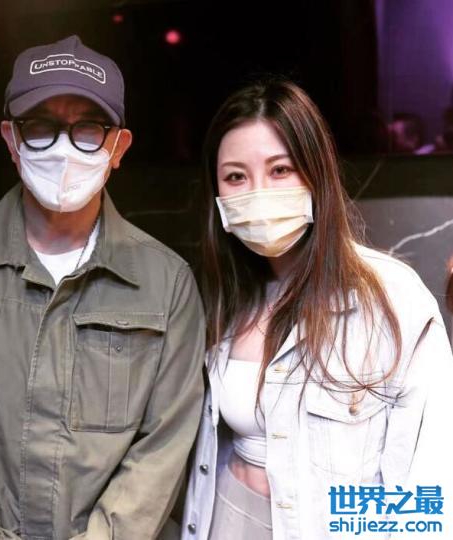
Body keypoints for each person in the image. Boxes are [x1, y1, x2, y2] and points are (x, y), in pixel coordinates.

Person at [0, 35, 205, 540]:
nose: (62, 150)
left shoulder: (168, 285)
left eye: (88, 129)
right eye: (40, 127)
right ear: (11, 140)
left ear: (118, 148)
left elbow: (161, 451)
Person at [181, 79, 453, 539]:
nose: (258, 192)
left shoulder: (392, 297)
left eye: (280, 169)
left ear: (315, 173)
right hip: (225, 517)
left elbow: (431, 472)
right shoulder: (221, 297)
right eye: (235, 177)